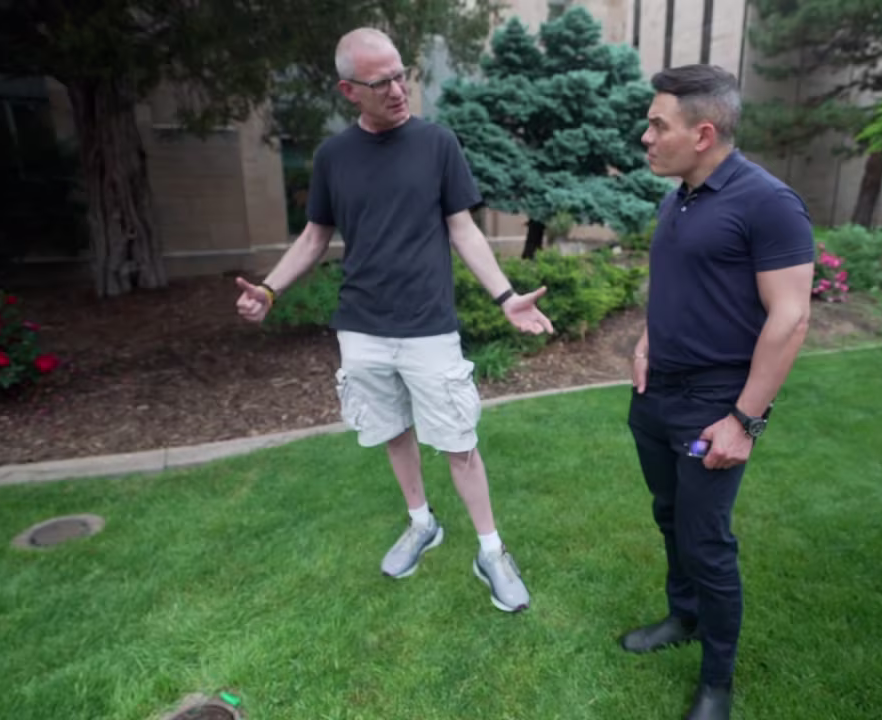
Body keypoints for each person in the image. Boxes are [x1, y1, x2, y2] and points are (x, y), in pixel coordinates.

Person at [234, 28, 553, 613]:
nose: (399, 89)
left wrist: (506, 295)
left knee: (458, 441)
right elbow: (314, 237)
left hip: (429, 325)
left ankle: (491, 551)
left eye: (401, 75)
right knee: (391, 431)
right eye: (382, 83)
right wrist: (270, 290)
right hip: (361, 326)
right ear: (349, 90)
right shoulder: (333, 157)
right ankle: (420, 521)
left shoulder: (437, 144)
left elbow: (463, 229)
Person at [620, 64, 815, 719]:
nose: (645, 136)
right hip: (657, 397)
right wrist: (647, 341)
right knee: (669, 515)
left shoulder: (768, 203)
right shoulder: (675, 197)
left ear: (703, 133)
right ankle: (684, 618)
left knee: (707, 538)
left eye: (657, 125)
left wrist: (743, 421)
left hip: (714, 402)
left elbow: (791, 318)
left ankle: (717, 684)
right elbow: (673, 285)